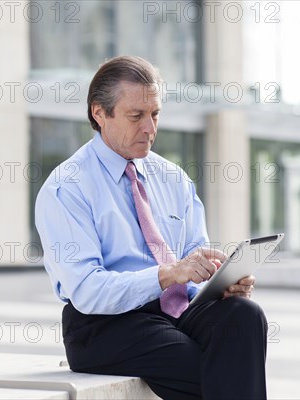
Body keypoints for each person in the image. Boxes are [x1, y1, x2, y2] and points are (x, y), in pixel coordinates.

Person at [34, 56, 268, 400]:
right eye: (136, 116)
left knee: (245, 315)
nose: (150, 128)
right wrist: (166, 275)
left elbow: (192, 258)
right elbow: (86, 290)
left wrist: (219, 282)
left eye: (155, 114)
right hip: (103, 325)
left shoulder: (173, 179)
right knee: (220, 367)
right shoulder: (68, 187)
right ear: (100, 113)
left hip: (174, 313)